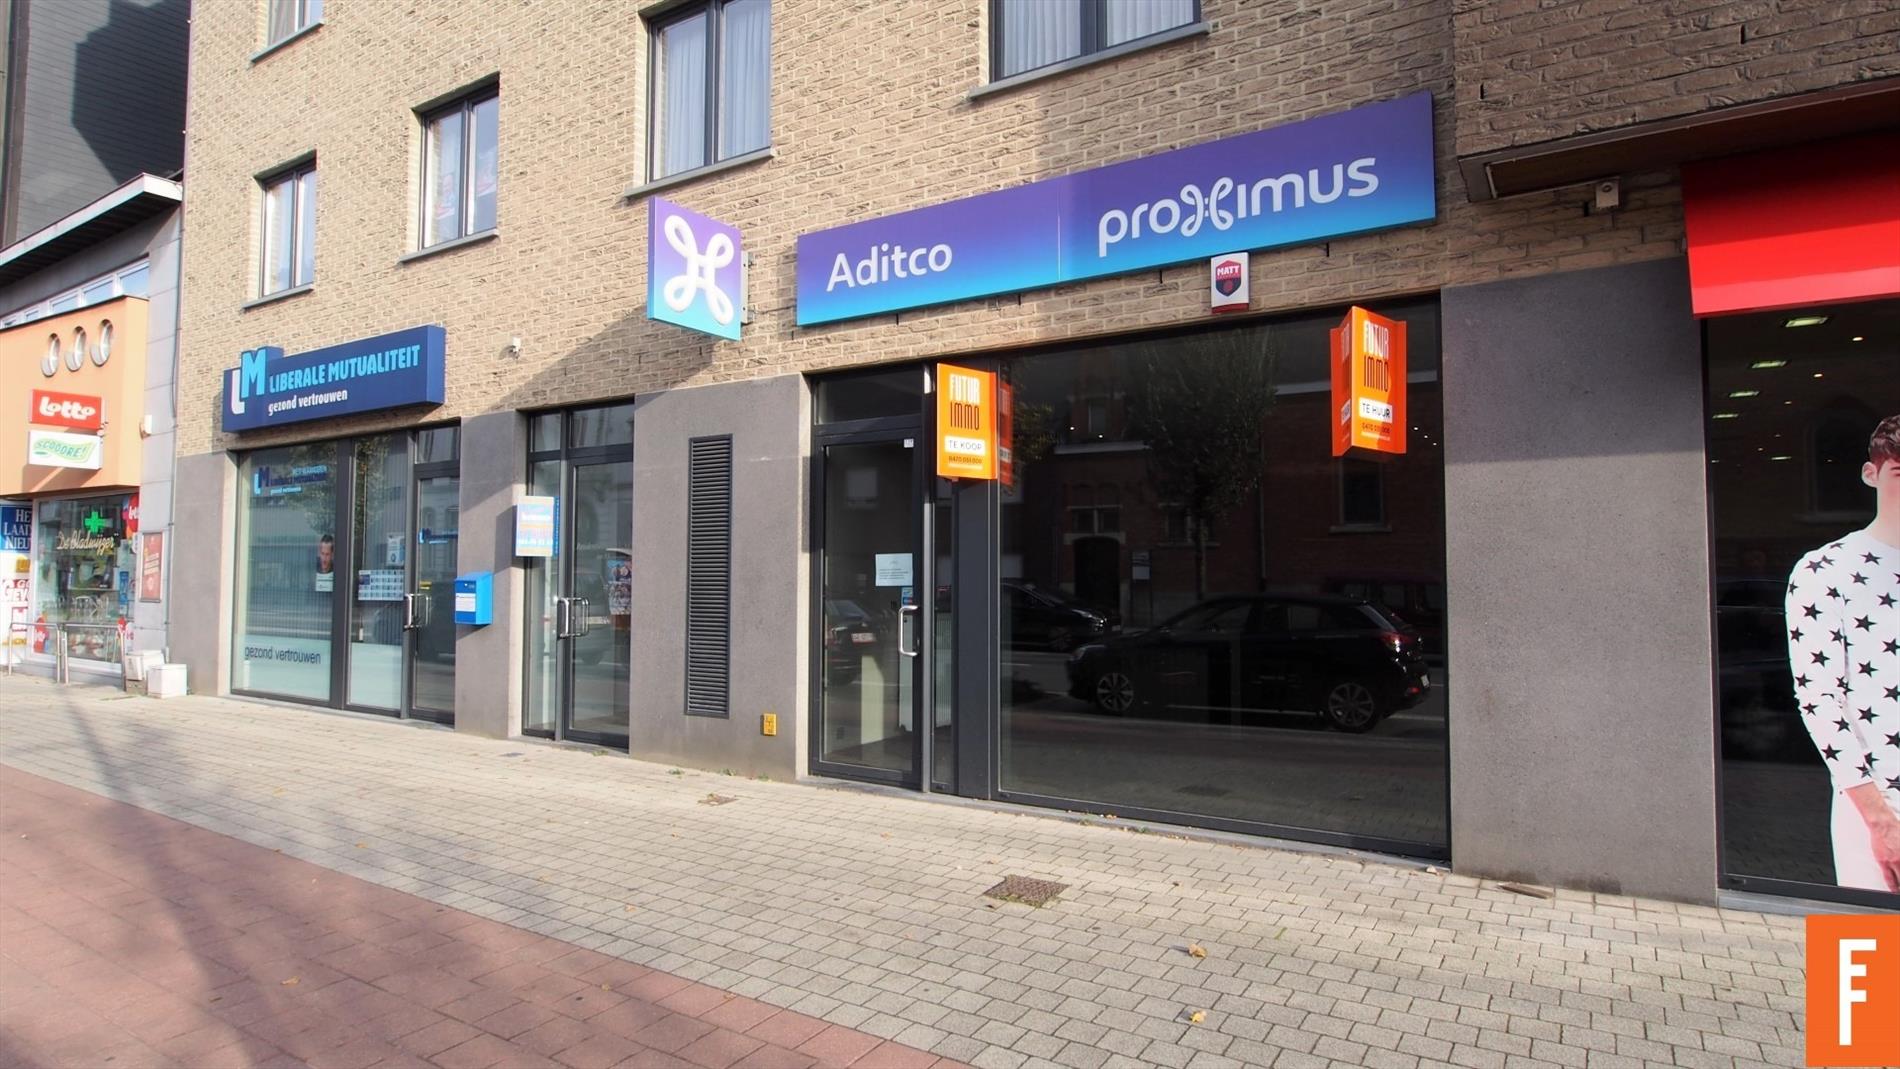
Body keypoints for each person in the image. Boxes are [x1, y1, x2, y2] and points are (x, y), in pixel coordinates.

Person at [1787, 414, 1900, 893]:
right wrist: (1880, 821)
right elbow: (1819, 701)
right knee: (1865, 939)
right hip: (1878, 803)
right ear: (1871, 474)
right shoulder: (1824, 570)